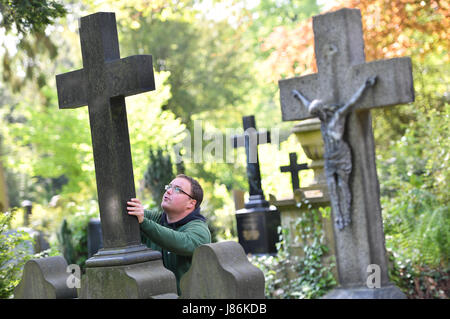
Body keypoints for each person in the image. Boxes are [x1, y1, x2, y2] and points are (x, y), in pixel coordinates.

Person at [292, 75, 377, 230]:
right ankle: (339, 216)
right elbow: (307, 106)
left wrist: (365, 86)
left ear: (322, 110)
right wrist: (299, 96)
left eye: (317, 112)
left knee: (342, 185)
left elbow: (352, 102)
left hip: (342, 155)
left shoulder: (338, 116)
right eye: (316, 114)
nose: (317, 116)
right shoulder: (322, 121)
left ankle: (348, 214)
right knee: (332, 187)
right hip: (329, 157)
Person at [127, 174, 211, 295]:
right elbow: (130, 213)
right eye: (169, 187)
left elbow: (183, 241)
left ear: (191, 203)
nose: (169, 191)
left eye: (177, 189)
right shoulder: (156, 219)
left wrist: (143, 222)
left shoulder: (199, 229)